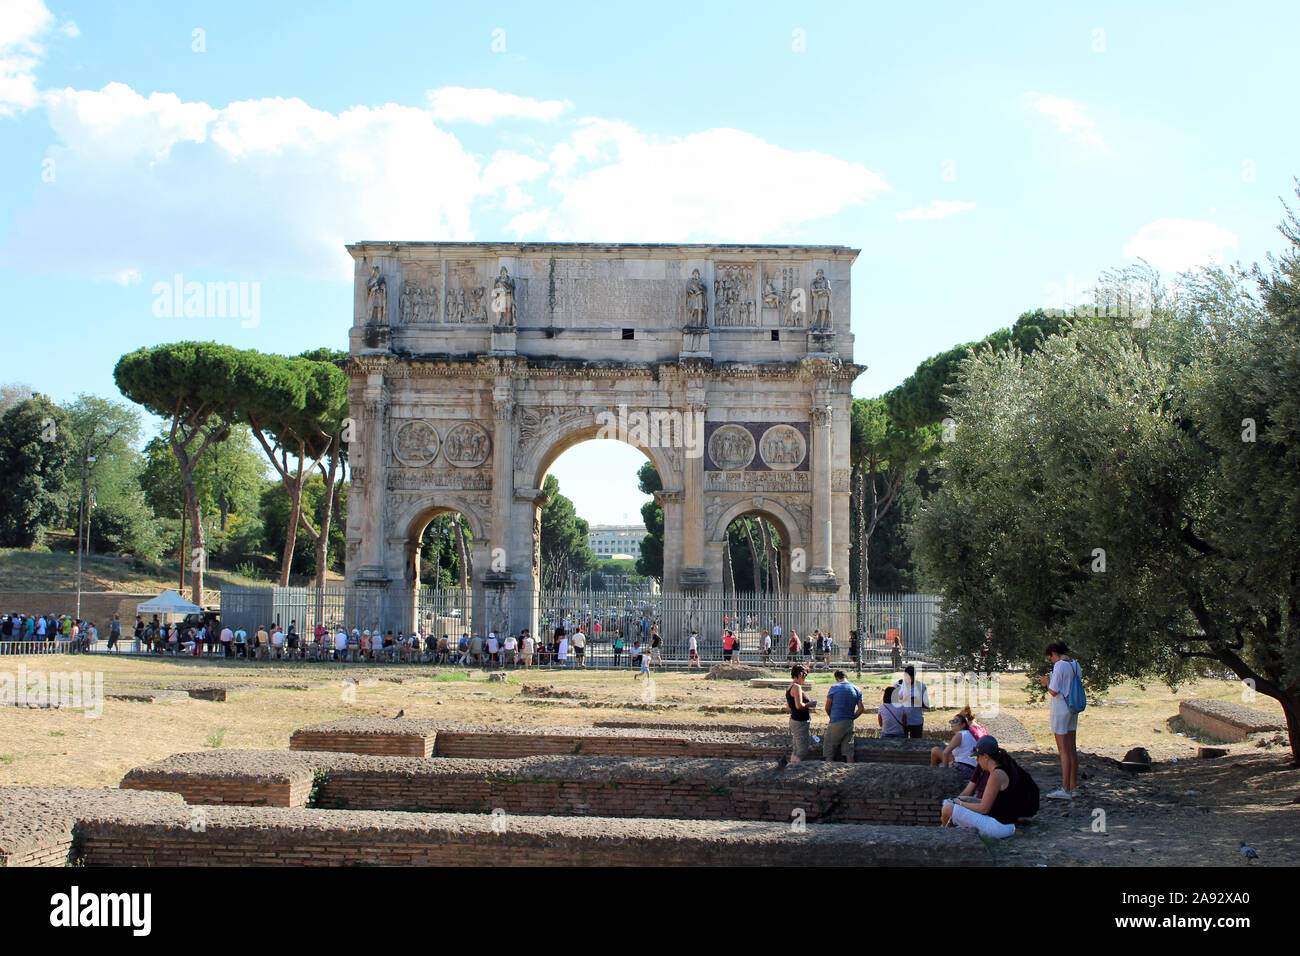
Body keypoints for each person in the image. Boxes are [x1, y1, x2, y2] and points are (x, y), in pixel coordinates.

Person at [941, 736, 1039, 839]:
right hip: (1005, 825)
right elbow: (993, 803)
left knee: (948, 808)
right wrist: (970, 799)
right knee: (948, 804)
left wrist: (960, 803)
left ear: (986, 757)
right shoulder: (1002, 770)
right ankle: (949, 832)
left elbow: (984, 808)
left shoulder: (996, 775)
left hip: (998, 826)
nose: (977, 761)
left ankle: (943, 835)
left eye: (977, 758)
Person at [1041, 641, 1081, 799]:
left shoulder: (1059, 666)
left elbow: (1053, 691)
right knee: (1072, 748)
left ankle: (1065, 788)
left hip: (1060, 708)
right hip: (1073, 708)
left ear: (1054, 654)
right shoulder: (1076, 664)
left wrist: (1046, 682)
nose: (1051, 660)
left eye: (1050, 657)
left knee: (1063, 750)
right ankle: (1073, 785)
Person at [823, 670, 865, 762]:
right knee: (849, 752)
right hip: (849, 723)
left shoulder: (834, 688)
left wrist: (832, 716)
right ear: (846, 677)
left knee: (829, 750)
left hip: (836, 722)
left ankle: (826, 772)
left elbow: (827, 707)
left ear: (837, 678)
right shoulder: (856, 688)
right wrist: (852, 717)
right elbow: (861, 709)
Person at [932, 711, 980, 781]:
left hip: (963, 768)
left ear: (963, 725)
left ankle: (931, 773)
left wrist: (945, 772)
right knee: (937, 751)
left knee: (935, 750)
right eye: (951, 721)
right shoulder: (969, 735)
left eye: (956, 721)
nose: (952, 723)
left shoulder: (960, 734)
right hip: (973, 770)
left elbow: (946, 752)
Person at [786, 664, 816, 762]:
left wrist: (806, 708)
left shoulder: (789, 687)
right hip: (800, 722)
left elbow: (789, 706)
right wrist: (811, 704)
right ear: (800, 675)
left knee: (796, 749)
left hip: (794, 720)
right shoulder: (797, 687)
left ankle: (790, 768)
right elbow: (799, 706)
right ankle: (794, 770)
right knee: (802, 751)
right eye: (805, 676)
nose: (805, 679)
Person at [894, 665, 930, 738]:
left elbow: (927, 706)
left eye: (911, 678)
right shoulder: (898, 684)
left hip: (916, 722)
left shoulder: (922, 686)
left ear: (915, 676)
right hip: (901, 722)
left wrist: (916, 701)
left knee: (916, 746)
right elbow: (893, 704)